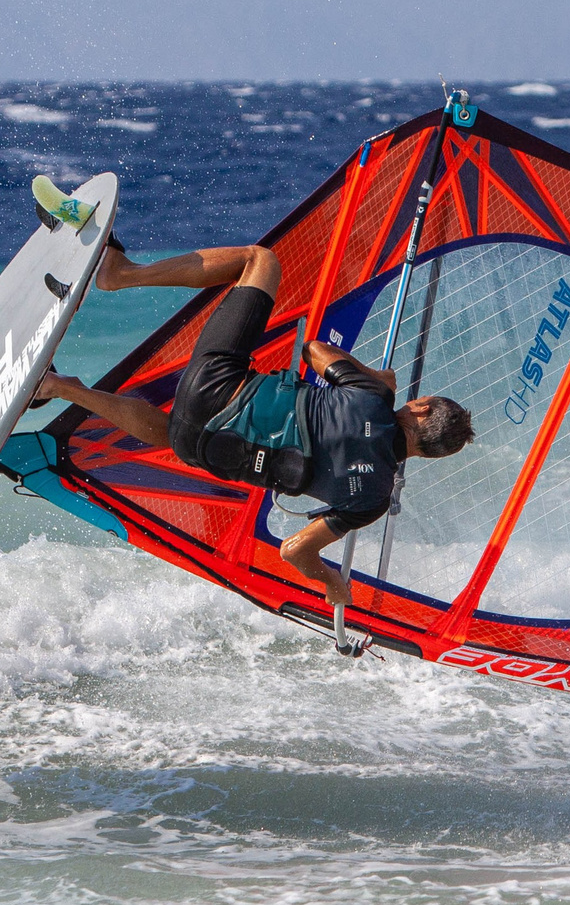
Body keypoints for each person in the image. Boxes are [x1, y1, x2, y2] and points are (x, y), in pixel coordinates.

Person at [31, 197, 474, 610]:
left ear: (420, 411)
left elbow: (315, 351)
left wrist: (376, 377)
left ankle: (121, 275)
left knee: (260, 260)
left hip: (214, 384)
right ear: (427, 453)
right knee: (176, 434)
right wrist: (330, 583)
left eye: (419, 400)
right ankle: (59, 387)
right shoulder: (373, 500)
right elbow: (295, 550)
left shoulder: (376, 399)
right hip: (197, 448)